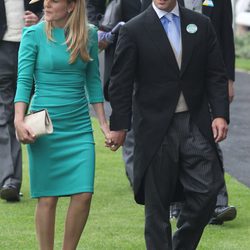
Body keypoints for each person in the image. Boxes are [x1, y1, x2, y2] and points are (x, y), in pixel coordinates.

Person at [108, 0, 229, 249]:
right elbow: (120, 83)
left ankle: (181, 244)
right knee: (157, 206)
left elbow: (215, 74)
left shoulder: (201, 24)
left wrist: (220, 114)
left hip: (194, 123)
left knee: (208, 191)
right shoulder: (133, 29)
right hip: (154, 129)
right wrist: (119, 126)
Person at [14, 0, 109, 249]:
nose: (46, 4)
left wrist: (104, 124)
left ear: (70, 6)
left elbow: (93, 81)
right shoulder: (33, 34)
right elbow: (23, 81)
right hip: (44, 127)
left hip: (78, 127)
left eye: (54, 0)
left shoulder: (88, 33)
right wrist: (18, 120)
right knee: (47, 198)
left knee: (84, 194)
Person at [169, 0, 237, 225]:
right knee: (174, 142)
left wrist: (229, 79)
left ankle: (217, 204)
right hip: (173, 83)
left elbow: (226, 37)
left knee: (210, 141)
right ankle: (177, 204)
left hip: (207, 80)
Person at [86, 0, 152, 185]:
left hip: (154, 53)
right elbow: (92, 5)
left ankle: (150, 176)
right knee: (125, 112)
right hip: (120, 49)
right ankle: (138, 179)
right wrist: (100, 26)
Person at [0, 0, 43, 202]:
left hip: (37, 48)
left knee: (39, 112)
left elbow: (62, 7)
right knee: (6, 115)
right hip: (4, 51)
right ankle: (10, 181)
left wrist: (40, 18)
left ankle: (50, 178)